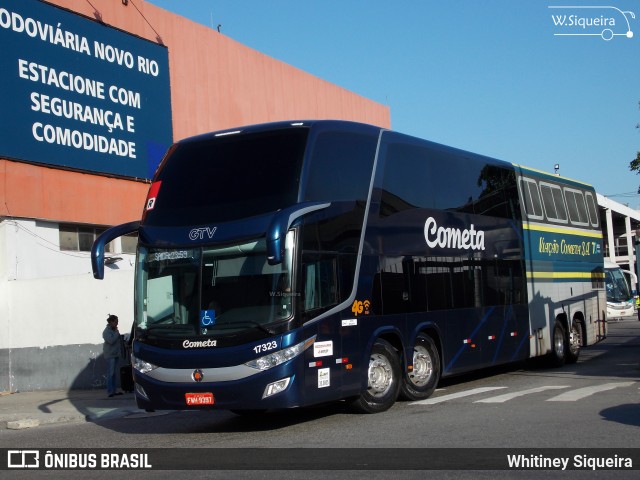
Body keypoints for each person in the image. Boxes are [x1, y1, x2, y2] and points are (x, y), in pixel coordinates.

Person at [102, 314, 123, 397]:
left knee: (114, 373)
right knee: (110, 373)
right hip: (110, 355)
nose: (117, 323)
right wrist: (117, 333)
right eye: (115, 322)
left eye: (117, 322)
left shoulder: (114, 330)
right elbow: (111, 341)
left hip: (115, 354)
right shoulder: (106, 331)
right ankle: (110, 391)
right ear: (111, 322)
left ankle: (114, 390)